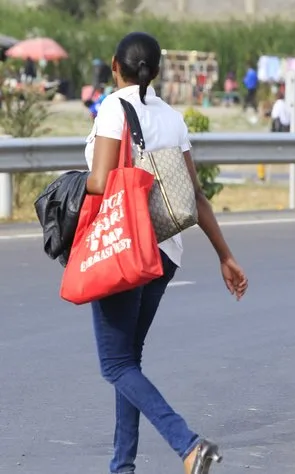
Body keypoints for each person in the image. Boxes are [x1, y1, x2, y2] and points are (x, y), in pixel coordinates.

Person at [84, 32, 249, 474]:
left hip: (124, 250)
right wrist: (224, 255)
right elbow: (194, 195)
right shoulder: (173, 118)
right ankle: (122, 467)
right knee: (128, 361)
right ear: (155, 72)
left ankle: (189, 445)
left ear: (114, 66)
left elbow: (100, 181)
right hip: (164, 254)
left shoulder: (112, 110)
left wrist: (68, 185)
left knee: (115, 364)